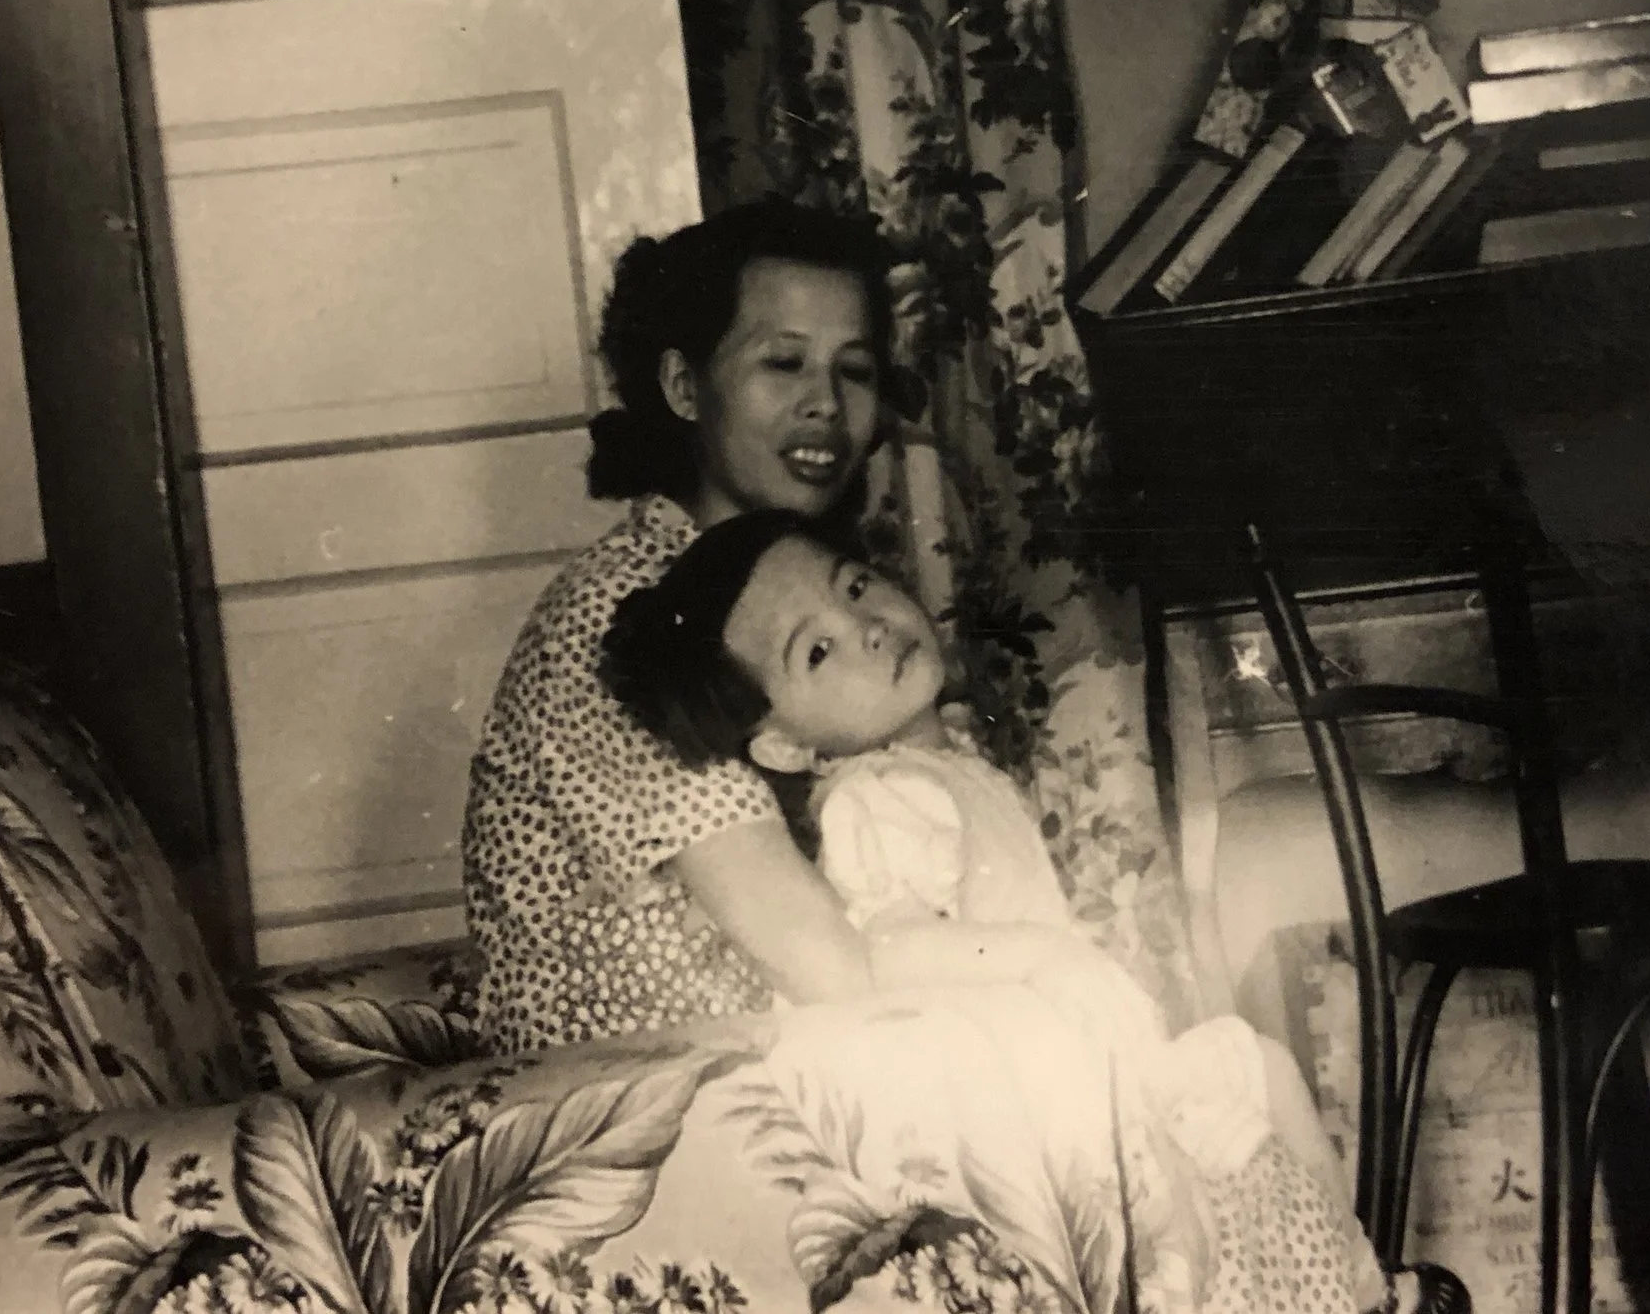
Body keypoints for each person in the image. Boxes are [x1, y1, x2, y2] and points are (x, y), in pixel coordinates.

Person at [600, 508, 1407, 1314]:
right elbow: (885, 947)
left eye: (856, 587)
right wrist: (1042, 959)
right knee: (1236, 1117)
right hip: (1035, 1107)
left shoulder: (943, 765)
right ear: (780, 746)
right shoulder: (880, 797)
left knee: (1251, 1083)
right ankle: (1356, 1292)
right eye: (818, 650)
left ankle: (1353, 1285)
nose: (866, 627)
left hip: (1080, 1076)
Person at [459, 199, 1142, 1056]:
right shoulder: (621, 615)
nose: (826, 403)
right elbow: (826, 964)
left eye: (854, 371)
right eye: (784, 363)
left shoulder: (802, 586)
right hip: (672, 1112)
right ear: (682, 387)